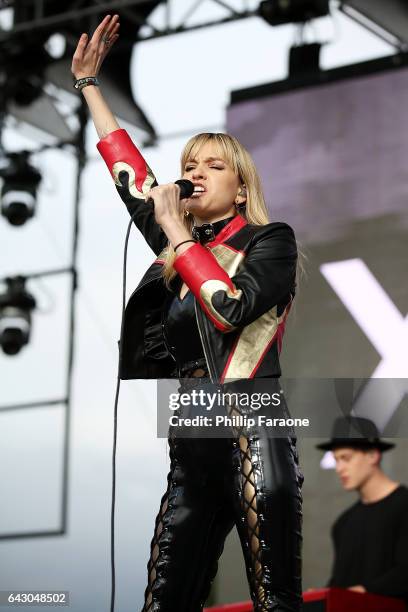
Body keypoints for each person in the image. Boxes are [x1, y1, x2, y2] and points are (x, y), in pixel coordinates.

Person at [71, 14, 304, 612]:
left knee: (273, 596)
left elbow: (229, 309)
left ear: (242, 188)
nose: (194, 174)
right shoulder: (181, 247)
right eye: (190, 163)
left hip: (253, 420)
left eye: (212, 166)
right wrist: (89, 86)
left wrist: (176, 229)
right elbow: (131, 175)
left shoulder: (269, 239)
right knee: (165, 597)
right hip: (193, 429)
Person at [316, 416, 408, 601]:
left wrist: (364, 591)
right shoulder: (343, 523)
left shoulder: (404, 505)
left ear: (373, 455)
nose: (339, 468)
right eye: (336, 460)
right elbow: (341, 582)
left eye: (346, 458)